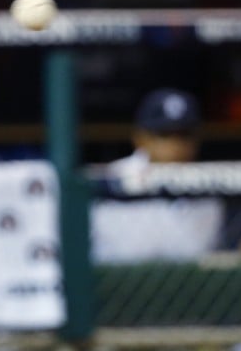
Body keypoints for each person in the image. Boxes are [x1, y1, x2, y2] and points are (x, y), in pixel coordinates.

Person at [91, 88, 225, 263]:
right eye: (164, 135)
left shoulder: (209, 191)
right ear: (140, 138)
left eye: (184, 135)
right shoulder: (110, 179)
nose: (175, 145)